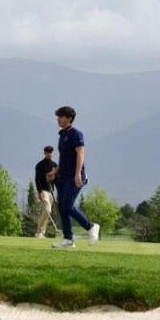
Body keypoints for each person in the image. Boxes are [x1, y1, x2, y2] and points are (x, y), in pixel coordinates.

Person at [50, 106, 99, 248]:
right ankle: (68, 239)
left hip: (74, 177)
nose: (58, 119)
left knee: (67, 205)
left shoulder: (75, 134)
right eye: (58, 116)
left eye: (61, 116)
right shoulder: (62, 135)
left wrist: (78, 174)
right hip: (62, 177)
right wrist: (56, 171)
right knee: (62, 207)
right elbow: (63, 158)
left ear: (69, 118)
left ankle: (91, 227)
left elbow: (80, 154)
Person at [34, 145, 57, 238]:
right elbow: (37, 179)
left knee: (48, 212)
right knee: (48, 210)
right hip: (43, 191)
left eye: (51, 152)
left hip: (51, 191)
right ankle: (39, 231)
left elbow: (56, 179)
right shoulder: (40, 165)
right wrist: (39, 192)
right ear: (45, 153)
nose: (49, 154)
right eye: (48, 152)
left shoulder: (55, 165)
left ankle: (41, 232)